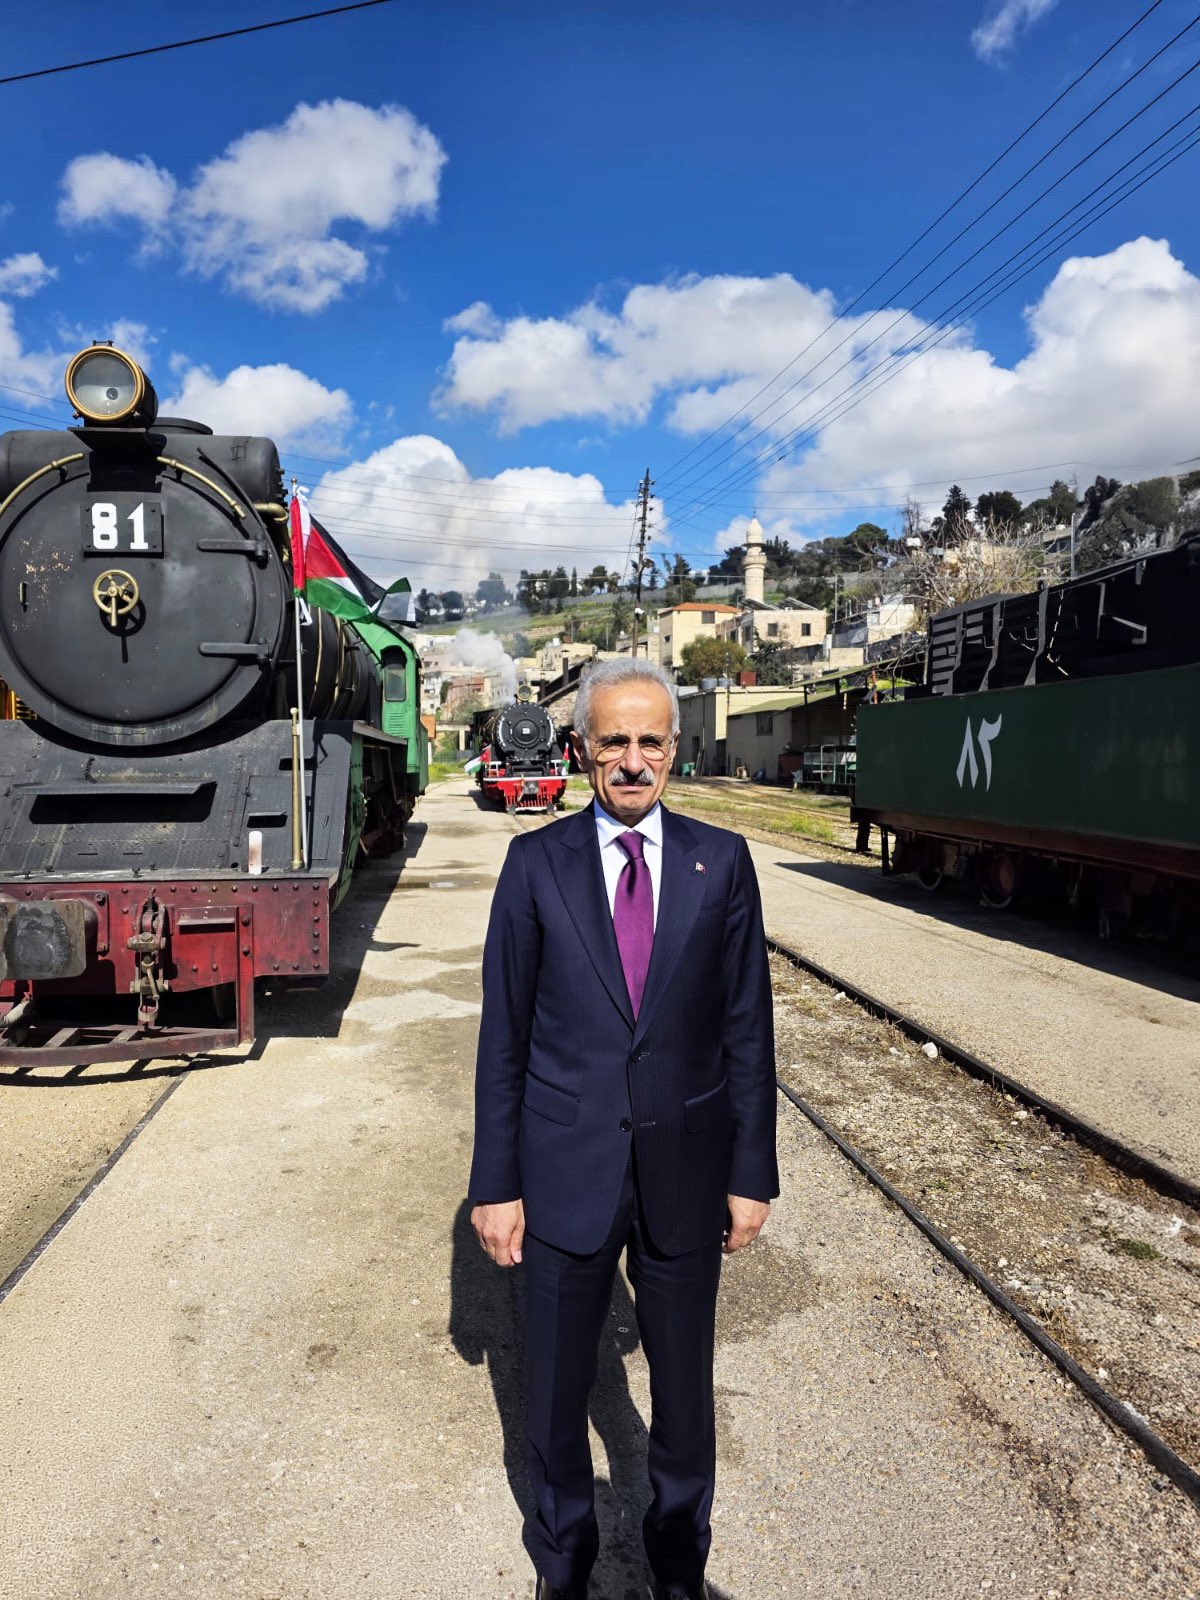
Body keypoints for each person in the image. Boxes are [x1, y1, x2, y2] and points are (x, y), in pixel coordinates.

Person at [469, 657, 778, 1600]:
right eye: (615, 742)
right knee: (557, 1398)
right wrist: (496, 1182)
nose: (634, 761)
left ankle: (678, 1569)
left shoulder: (720, 861)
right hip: (564, 1171)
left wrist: (751, 1170)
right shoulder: (535, 865)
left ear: (674, 751)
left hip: (686, 1170)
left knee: (684, 1400)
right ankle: (563, 1567)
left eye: (651, 742)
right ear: (584, 749)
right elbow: (503, 1038)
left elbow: (746, 1030)